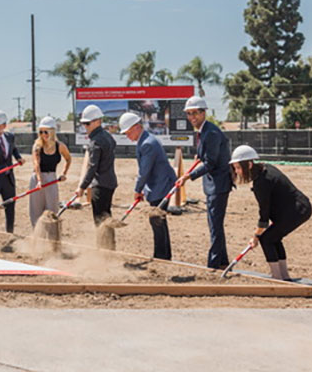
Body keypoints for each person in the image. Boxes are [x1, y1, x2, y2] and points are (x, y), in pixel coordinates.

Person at [230, 145, 312, 280]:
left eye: (238, 168)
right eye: (235, 168)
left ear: (249, 165)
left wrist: (256, 236)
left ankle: (277, 276)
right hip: (297, 208)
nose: (237, 172)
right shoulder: (266, 168)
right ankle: (284, 276)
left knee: (266, 239)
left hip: (297, 210)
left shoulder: (261, 183)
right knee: (273, 237)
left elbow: (264, 214)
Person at [175, 96, 231, 269]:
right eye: (189, 114)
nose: (192, 117)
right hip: (213, 184)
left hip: (218, 184)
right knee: (215, 224)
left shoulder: (211, 132)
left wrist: (188, 176)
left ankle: (213, 264)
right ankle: (222, 261)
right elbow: (206, 156)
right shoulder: (204, 131)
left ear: (203, 112)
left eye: (195, 113)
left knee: (215, 225)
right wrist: (199, 155)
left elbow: (211, 163)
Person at [120, 112, 177, 260]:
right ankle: (163, 254)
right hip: (158, 184)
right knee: (158, 221)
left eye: (128, 132)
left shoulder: (147, 144)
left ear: (137, 127)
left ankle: (162, 256)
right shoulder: (145, 141)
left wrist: (137, 190)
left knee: (157, 220)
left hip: (161, 185)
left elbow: (144, 171)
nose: (127, 136)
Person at [74, 105, 118, 246]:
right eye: (83, 123)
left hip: (100, 184)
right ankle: (110, 247)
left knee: (99, 220)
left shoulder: (96, 141)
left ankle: (102, 251)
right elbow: (114, 144)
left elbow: (92, 167)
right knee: (107, 217)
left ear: (98, 121)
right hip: (110, 183)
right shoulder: (107, 136)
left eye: (87, 123)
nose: (85, 126)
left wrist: (82, 187)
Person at [28, 116, 71, 227]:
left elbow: (68, 158)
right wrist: (39, 180)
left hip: (52, 178)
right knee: (36, 209)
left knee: (52, 207)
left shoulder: (60, 146)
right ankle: (37, 234)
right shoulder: (37, 146)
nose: (44, 134)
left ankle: (52, 233)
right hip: (37, 178)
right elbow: (36, 164)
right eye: (41, 132)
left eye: (46, 132)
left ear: (52, 132)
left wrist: (64, 173)